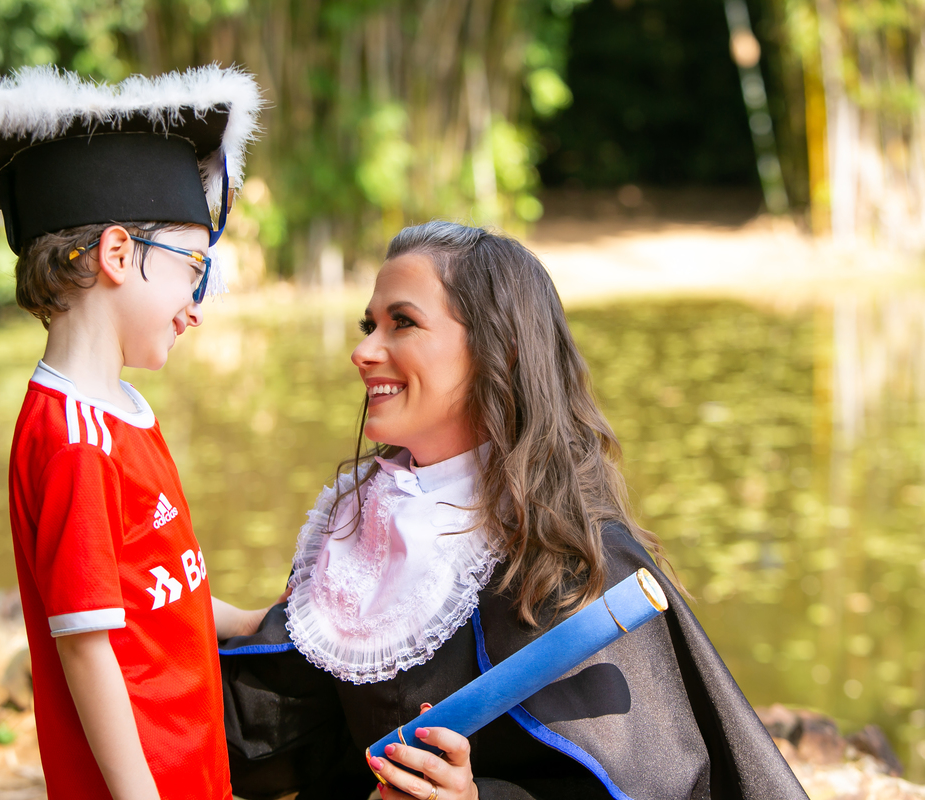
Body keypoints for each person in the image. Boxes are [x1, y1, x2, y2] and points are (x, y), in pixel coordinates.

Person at [216, 222, 808, 800]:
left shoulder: (581, 566)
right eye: (370, 324)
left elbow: (654, 783)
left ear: (499, 348)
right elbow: (288, 723)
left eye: (402, 322)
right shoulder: (361, 527)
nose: (363, 350)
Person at [0, 65, 261, 800]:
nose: (196, 305)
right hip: (142, 781)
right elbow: (88, 648)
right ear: (114, 255)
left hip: (191, 765)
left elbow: (159, 590)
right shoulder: (76, 439)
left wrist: (258, 618)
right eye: (190, 270)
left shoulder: (122, 408)